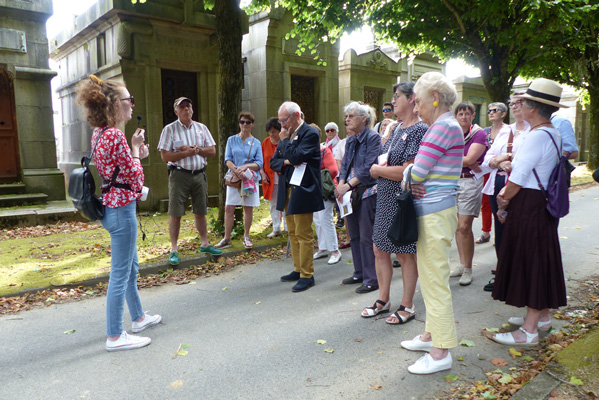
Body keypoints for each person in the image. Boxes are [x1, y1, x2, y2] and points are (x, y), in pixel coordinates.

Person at [76, 75, 161, 351]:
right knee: (121, 273)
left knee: (129, 268)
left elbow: (119, 171)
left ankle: (137, 318)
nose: (132, 105)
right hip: (123, 212)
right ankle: (114, 335)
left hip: (110, 208)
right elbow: (135, 179)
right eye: (129, 100)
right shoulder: (115, 135)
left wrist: (136, 154)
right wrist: (136, 150)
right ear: (114, 105)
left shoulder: (99, 134)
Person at [490, 78, 568, 346]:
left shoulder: (536, 136)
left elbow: (519, 177)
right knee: (541, 258)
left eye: (523, 102)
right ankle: (541, 316)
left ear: (532, 108)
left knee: (531, 261)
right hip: (542, 202)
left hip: (529, 204)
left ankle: (529, 330)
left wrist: (503, 202)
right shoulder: (553, 133)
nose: (520, 105)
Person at [399, 71, 463, 374]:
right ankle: (430, 336)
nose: (416, 108)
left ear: (435, 98)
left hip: (435, 212)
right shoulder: (446, 126)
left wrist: (410, 172)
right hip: (437, 211)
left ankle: (440, 353)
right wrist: (412, 173)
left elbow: (418, 172)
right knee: (430, 278)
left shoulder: (441, 128)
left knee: (435, 282)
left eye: (420, 101)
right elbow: (417, 172)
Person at [361, 81, 426, 323]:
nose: (393, 101)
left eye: (397, 96)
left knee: (404, 253)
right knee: (380, 249)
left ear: (411, 99)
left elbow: (410, 171)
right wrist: (381, 165)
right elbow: (387, 158)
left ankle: (407, 305)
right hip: (386, 195)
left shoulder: (420, 130)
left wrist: (377, 170)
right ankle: (383, 299)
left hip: (402, 198)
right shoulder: (397, 129)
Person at [157, 97, 222, 266]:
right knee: (176, 212)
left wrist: (197, 150)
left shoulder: (201, 128)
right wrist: (186, 154)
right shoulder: (169, 130)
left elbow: (213, 151)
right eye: (182, 107)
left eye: (189, 106)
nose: (186, 109)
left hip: (199, 174)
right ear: (176, 111)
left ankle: (205, 244)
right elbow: (165, 156)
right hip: (179, 175)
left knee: (201, 210)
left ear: (192, 110)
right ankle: (174, 249)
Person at [271, 101, 324, 292]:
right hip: (288, 188)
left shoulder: (310, 133)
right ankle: (297, 268)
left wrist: (285, 144)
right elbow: (273, 162)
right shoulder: (288, 134)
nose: (282, 124)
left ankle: (307, 275)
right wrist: (287, 159)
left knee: (303, 233)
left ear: (297, 115)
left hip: (303, 189)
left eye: (284, 120)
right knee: (292, 232)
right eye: (280, 120)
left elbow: (295, 158)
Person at [480, 93, 530, 292]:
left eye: (520, 103)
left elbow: (531, 156)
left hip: (520, 186)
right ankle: (503, 273)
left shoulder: (533, 130)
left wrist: (508, 157)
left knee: (518, 230)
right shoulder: (505, 131)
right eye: (513, 103)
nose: (516, 106)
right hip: (497, 183)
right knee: (500, 230)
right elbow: (486, 159)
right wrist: (499, 161)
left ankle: (520, 275)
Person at [336, 101, 382, 294]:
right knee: (353, 235)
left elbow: (369, 167)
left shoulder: (373, 138)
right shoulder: (352, 139)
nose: (347, 120)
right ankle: (359, 272)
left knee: (366, 236)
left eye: (351, 116)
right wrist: (340, 182)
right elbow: (345, 164)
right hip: (349, 193)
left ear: (364, 119)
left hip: (367, 192)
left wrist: (347, 185)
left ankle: (372, 278)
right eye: (346, 117)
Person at [449, 102, 488, 286]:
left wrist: (457, 159)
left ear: (473, 115)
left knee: (465, 226)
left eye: (467, 114)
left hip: (470, 182)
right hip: (453, 181)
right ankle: (461, 263)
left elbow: (472, 159)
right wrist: (463, 160)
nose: (463, 117)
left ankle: (468, 269)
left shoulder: (478, 134)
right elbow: (447, 156)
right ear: (455, 116)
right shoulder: (453, 133)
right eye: (460, 114)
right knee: (457, 226)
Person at [215, 112, 263, 250]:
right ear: (239, 123)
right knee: (229, 207)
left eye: (248, 122)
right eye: (242, 122)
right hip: (234, 178)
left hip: (249, 178)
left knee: (248, 208)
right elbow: (227, 159)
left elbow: (259, 163)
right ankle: (227, 238)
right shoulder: (231, 140)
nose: (245, 125)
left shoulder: (256, 143)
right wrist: (236, 170)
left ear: (252, 124)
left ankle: (246, 236)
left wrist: (245, 167)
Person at [476, 102, 509, 244]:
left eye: (495, 110)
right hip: (487, 168)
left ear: (503, 114)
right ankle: (485, 232)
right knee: (485, 202)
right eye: (489, 110)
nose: (491, 112)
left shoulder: (508, 131)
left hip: (502, 172)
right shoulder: (485, 131)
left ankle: (499, 235)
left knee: (501, 203)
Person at [311, 124, 342, 265]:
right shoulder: (310, 151)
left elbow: (333, 170)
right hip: (314, 190)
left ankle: (335, 250)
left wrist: (317, 177)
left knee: (325, 218)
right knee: (317, 219)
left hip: (325, 190)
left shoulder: (323, 151)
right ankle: (323, 247)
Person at [261, 117, 284, 237]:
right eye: (270, 132)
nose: (271, 134)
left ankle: (288, 227)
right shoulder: (265, 142)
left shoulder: (285, 142)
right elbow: (261, 161)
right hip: (270, 179)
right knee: (273, 204)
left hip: (283, 177)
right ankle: (276, 228)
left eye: (274, 132)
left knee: (285, 203)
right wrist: (262, 173)